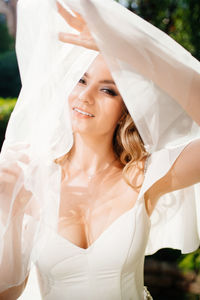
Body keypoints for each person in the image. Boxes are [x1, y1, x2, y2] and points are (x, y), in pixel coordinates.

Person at [0, 0, 200, 299]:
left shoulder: (145, 177)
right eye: (80, 80)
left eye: (108, 89)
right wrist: (9, 208)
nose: (86, 96)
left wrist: (133, 51)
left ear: (125, 108)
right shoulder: (32, 179)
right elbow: (9, 291)